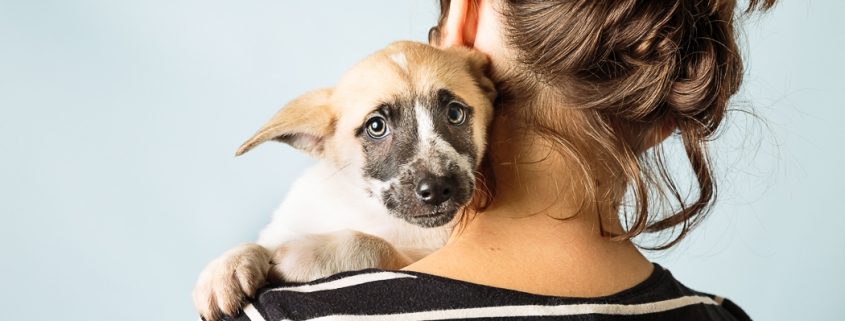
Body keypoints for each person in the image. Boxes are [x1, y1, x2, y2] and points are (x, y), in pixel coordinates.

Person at [223, 0, 775, 320]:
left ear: (465, 18)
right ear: (667, 114)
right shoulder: (720, 317)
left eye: (455, 113)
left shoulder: (286, 314)